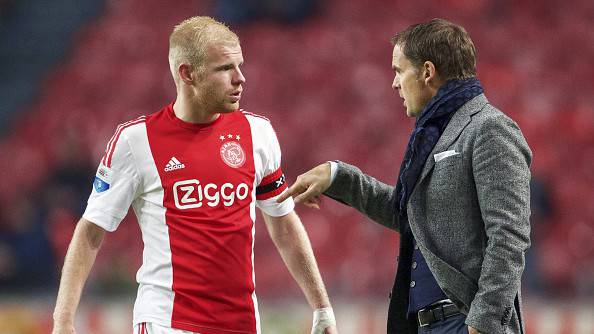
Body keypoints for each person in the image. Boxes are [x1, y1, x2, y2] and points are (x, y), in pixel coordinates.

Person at [52, 16, 337, 334]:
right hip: (167, 323)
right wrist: (63, 321)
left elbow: (283, 225)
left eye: (240, 66)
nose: (240, 78)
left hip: (241, 324)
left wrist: (322, 307)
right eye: (225, 68)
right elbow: (91, 232)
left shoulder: (259, 133)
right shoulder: (136, 141)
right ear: (187, 74)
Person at [278, 19, 531, 334]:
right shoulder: (435, 134)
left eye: (399, 71)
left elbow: (509, 236)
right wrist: (339, 177)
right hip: (423, 324)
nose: (394, 83)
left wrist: (484, 322)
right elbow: (413, 217)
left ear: (427, 71)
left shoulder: (489, 128)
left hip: (463, 323)